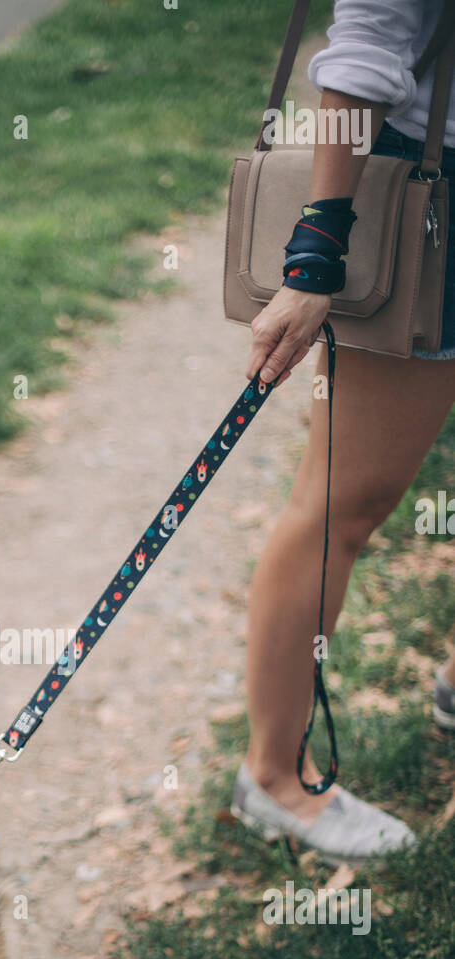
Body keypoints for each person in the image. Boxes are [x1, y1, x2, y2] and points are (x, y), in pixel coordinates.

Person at [232, 0, 455, 861]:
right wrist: (319, 247)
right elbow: (364, 43)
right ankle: (274, 778)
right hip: (429, 199)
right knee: (339, 509)